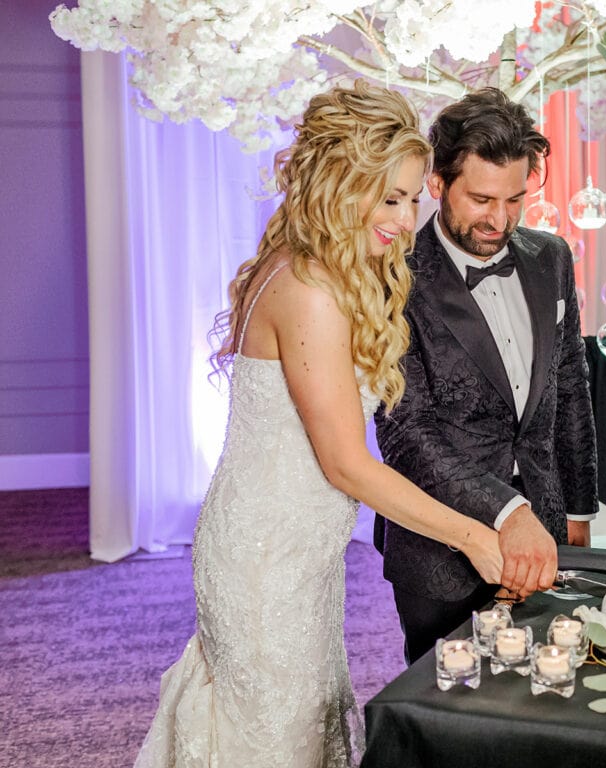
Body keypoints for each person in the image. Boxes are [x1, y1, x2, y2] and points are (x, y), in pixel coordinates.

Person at [134, 82, 503, 768]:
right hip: (268, 558)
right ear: (338, 185)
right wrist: (471, 534)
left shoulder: (299, 266)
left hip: (283, 545)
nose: (404, 216)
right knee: (279, 736)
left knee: (292, 721)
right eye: (387, 197)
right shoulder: (309, 290)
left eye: (412, 197)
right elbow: (345, 464)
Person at [374, 87, 599, 664]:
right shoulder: (389, 277)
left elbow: (570, 386)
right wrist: (508, 512)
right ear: (437, 184)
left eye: (515, 199)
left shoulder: (551, 257)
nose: (499, 219)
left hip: (548, 533)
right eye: (480, 199)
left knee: (547, 694)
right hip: (438, 550)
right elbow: (407, 431)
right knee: (449, 707)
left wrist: (577, 511)